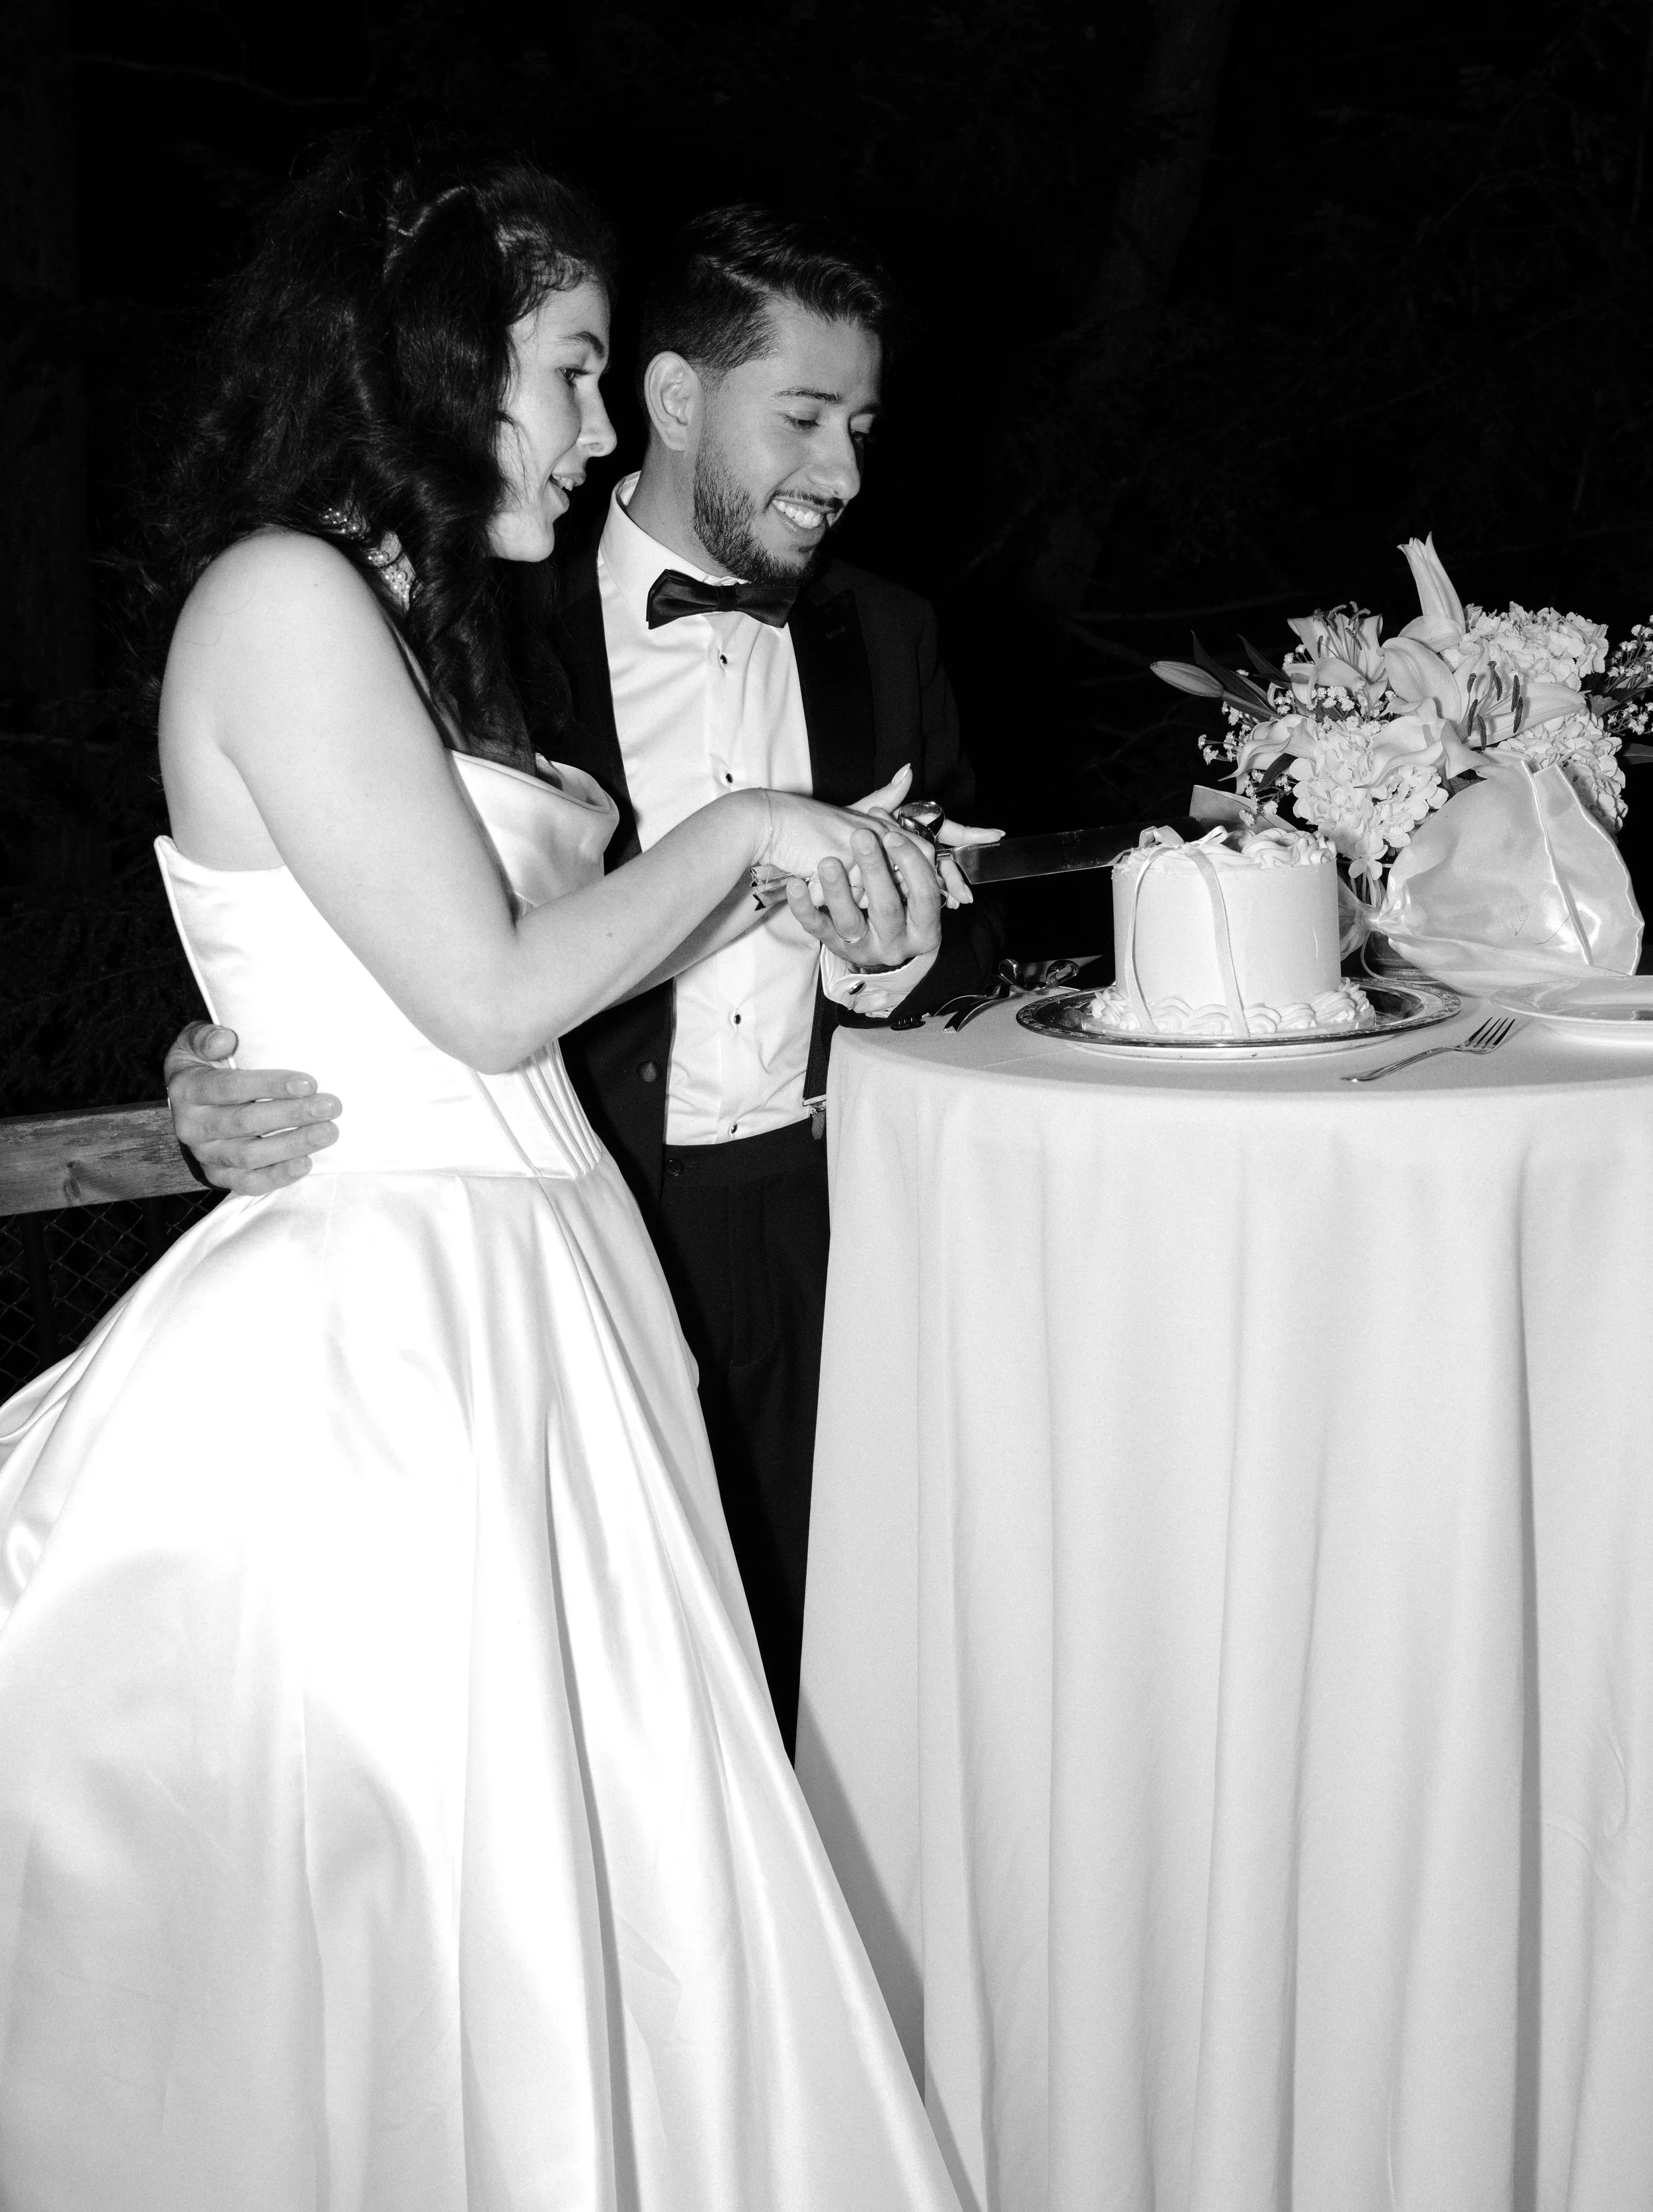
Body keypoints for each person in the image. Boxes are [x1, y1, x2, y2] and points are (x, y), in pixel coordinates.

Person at [0, 137, 962, 2211]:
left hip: (557, 1309)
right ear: (432, 355)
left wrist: (832, 906)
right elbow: (480, 990)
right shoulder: (281, 594)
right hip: (391, 1364)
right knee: (421, 1925)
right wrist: (748, 837)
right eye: (573, 370)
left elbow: (412, 923)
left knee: (614, 1909)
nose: (601, 424)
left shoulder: (455, 629)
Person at [167, 206, 1002, 1750]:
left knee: (845, 1696)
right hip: (533, 1240)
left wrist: (904, 961)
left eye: (860, 425)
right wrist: (219, 1051)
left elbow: (977, 926)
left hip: (822, 1231)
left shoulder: (890, 637)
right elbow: (353, 898)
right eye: (804, 418)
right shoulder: (487, 597)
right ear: (677, 402)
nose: (844, 470)